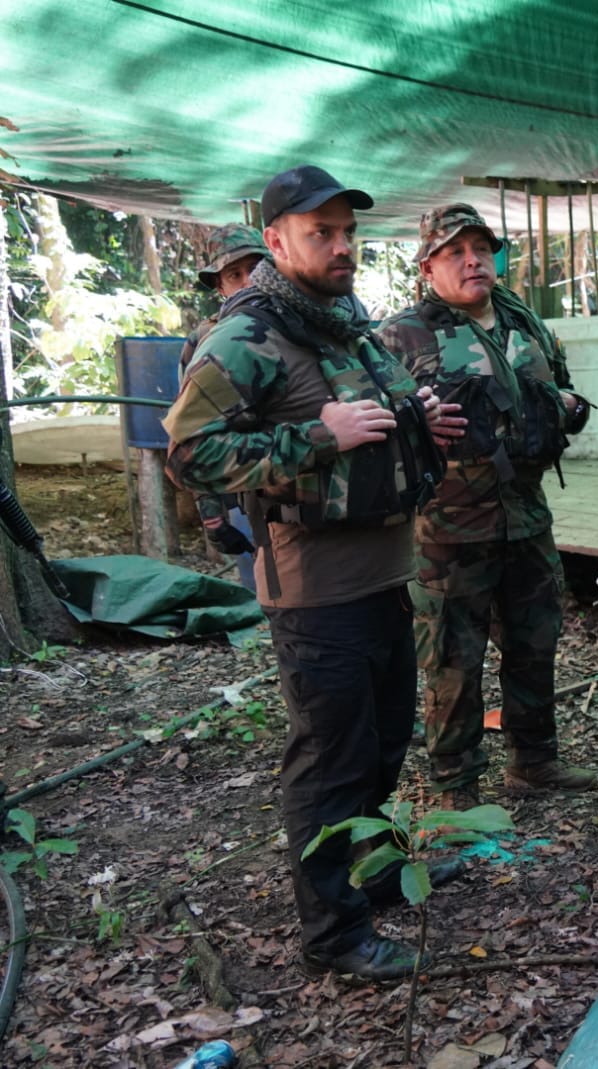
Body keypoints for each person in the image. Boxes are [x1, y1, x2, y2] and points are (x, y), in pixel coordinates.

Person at [162, 165, 463, 982]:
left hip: (383, 574)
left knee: (384, 741)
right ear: (275, 241)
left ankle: (369, 875)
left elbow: (374, 413)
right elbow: (190, 453)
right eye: (320, 232)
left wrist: (416, 418)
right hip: (314, 590)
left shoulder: (345, 325)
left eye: (347, 231)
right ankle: (334, 932)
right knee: (329, 760)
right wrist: (317, 437)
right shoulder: (249, 337)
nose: (341, 247)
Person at [376, 204, 596, 814]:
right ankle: (456, 788)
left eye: (481, 249)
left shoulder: (525, 321)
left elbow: (557, 389)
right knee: (452, 660)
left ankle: (535, 761)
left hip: (526, 517)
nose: (473, 261)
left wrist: (565, 406)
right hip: (448, 528)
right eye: (455, 252)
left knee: (535, 642)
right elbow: (376, 432)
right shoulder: (399, 337)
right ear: (427, 267)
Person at [179, 224, 271, 589]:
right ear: (220, 287)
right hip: (246, 489)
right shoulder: (207, 342)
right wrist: (213, 516)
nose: (249, 281)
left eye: (257, 269)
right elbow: (193, 437)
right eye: (235, 274)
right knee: (264, 593)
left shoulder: (302, 327)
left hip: (309, 492)